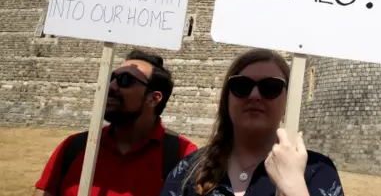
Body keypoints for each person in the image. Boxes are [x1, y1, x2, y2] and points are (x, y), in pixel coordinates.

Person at [160, 48, 345, 196]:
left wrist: (295, 188)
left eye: (270, 87)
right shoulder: (188, 170)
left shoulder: (317, 172)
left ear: (288, 99)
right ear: (227, 97)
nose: (254, 95)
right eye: (242, 86)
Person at [34, 49, 198, 196]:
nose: (111, 86)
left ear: (153, 98)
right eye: (112, 78)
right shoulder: (74, 147)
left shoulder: (185, 158)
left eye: (125, 80)